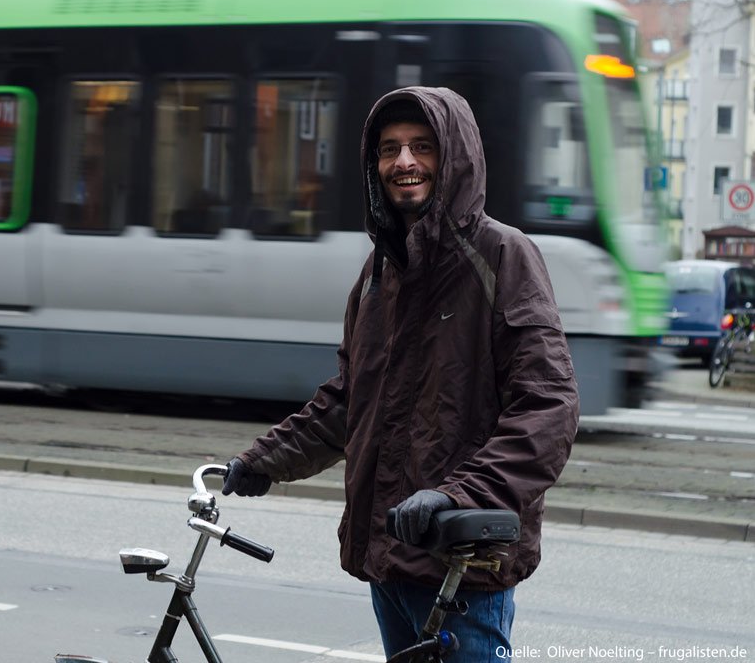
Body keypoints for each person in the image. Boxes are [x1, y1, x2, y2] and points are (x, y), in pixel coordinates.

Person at [221, 86, 579, 663]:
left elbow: (549, 409)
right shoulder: (379, 271)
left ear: (454, 157)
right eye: (389, 150)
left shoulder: (503, 256)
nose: (404, 163)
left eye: (421, 147)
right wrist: (265, 459)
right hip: (388, 554)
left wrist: (454, 495)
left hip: (462, 559)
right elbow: (349, 399)